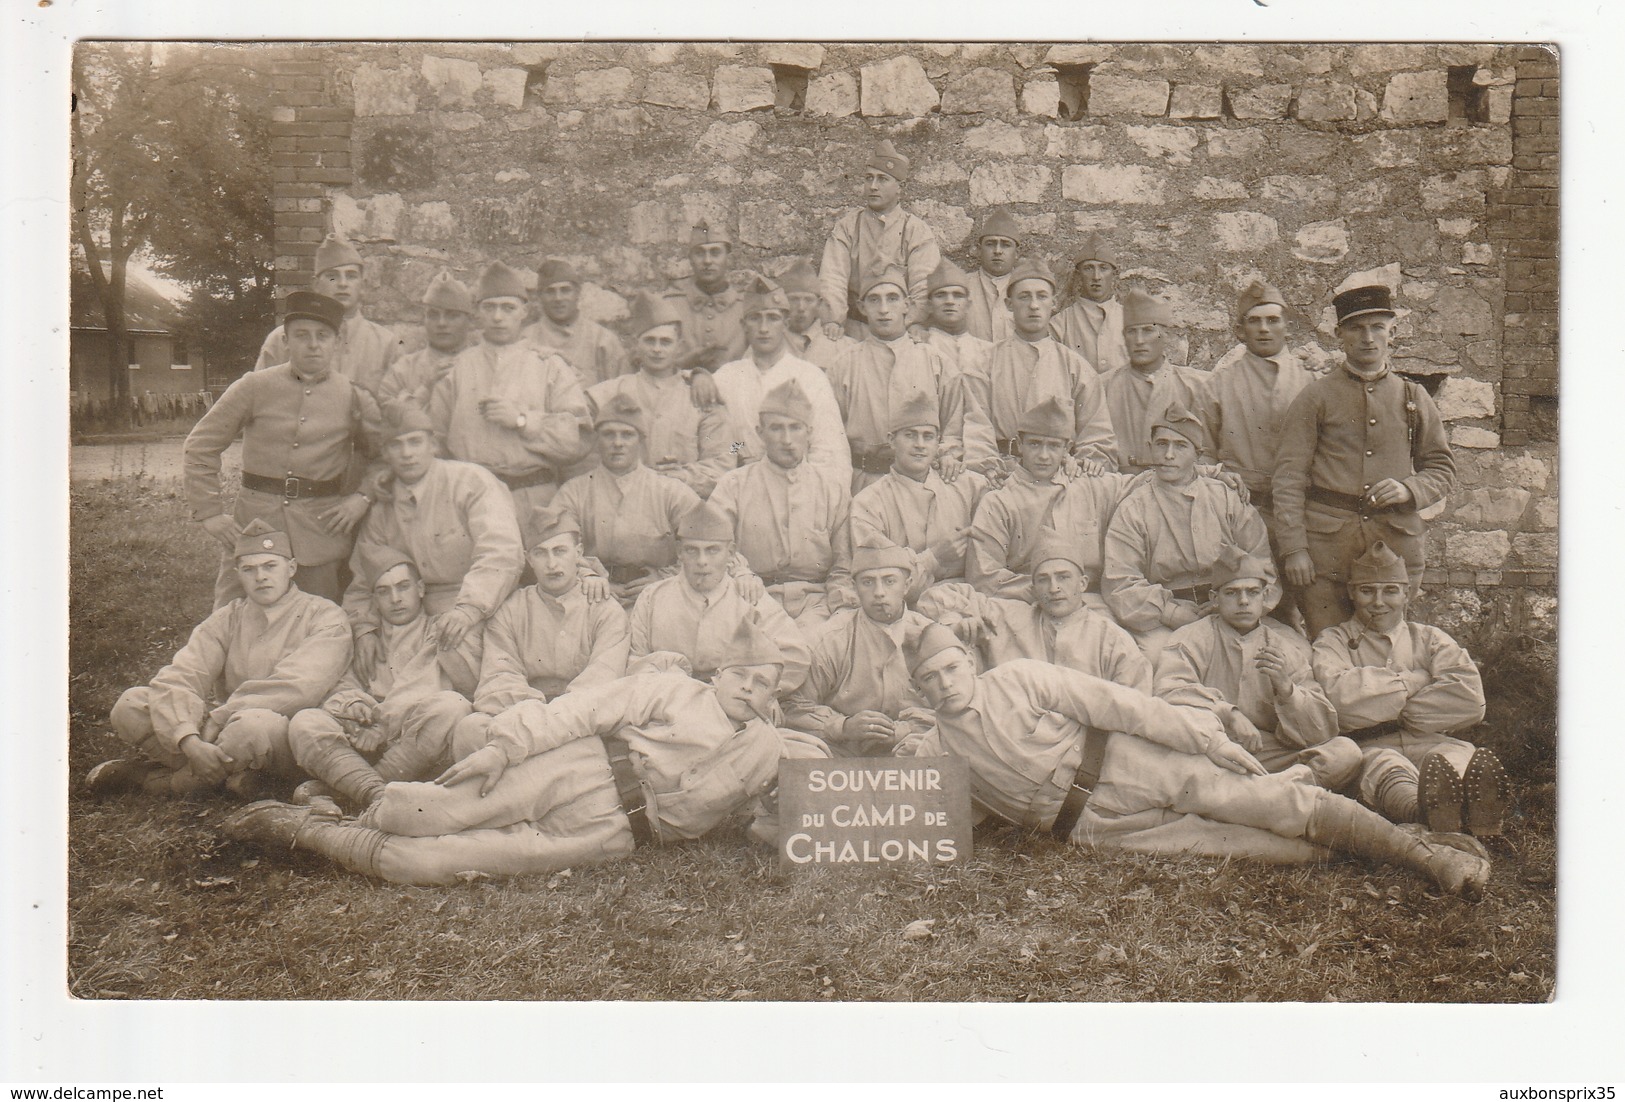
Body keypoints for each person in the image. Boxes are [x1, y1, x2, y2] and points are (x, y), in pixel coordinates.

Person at [221, 620, 830, 886]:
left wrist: (780, 825)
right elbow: (577, 709)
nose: (749, 692)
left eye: (763, 686)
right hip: (581, 772)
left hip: (615, 835)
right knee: (406, 815)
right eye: (741, 677)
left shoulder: (768, 748)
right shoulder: (671, 687)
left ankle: (304, 828)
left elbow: (795, 809)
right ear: (720, 672)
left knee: (419, 866)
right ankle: (312, 809)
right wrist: (502, 750)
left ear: (775, 697)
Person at [902, 624, 1491, 896]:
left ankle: (1429, 860)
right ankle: (1406, 834)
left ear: (968, 661)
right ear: (919, 692)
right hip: (1091, 827)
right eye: (929, 679)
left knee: (1272, 803)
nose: (945, 683)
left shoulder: (1017, 679)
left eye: (950, 667)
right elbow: (932, 822)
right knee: (1272, 850)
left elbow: (1123, 705)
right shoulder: (936, 752)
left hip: (1127, 761)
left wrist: (1210, 741)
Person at [87, 520, 351, 799]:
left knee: (253, 727)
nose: (260, 576)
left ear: (292, 568)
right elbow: (184, 673)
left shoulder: (325, 615)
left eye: (270, 566)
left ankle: (161, 783)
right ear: (238, 574)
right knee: (130, 704)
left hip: (286, 734)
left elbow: (298, 686)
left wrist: (217, 719)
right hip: (223, 730)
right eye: (249, 569)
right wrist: (188, 738)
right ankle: (230, 776)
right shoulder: (230, 616)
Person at [1273, 284, 1456, 639]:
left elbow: (1441, 468)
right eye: (1356, 328)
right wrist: (1295, 548)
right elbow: (1289, 478)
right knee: (1328, 644)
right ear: (1340, 334)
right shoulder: (1316, 397)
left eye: (1377, 327)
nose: (1368, 338)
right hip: (1326, 552)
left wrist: (1409, 489)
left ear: (1392, 332)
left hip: (1393, 548)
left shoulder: (1412, 396)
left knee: (1385, 644)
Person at [185, 290, 383, 607]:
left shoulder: (353, 396)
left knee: (317, 623)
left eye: (323, 336)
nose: (313, 344)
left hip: (320, 530)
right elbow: (200, 445)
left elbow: (383, 455)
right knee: (231, 619)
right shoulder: (254, 386)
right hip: (254, 525)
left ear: (338, 342)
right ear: (286, 341)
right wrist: (209, 513)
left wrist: (361, 498)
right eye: (301, 335)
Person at [1311, 541, 1509, 837]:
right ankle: (1424, 813)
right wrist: (1416, 681)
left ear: (1406, 594)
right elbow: (1340, 701)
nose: (1379, 602)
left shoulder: (1430, 639)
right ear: (1352, 593)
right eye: (1368, 591)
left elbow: (1469, 701)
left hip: (1431, 741)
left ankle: (1473, 814)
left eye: (1390, 590)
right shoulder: (1332, 642)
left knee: (1450, 758)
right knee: (1387, 767)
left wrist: (1389, 709)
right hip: (1370, 746)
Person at [342, 403, 523, 695]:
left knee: (457, 654)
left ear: (433, 444)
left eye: (415, 442)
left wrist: (468, 610)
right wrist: (364, 629)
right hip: (414, 615)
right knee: (364, 662)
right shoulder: (383, 509)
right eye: (396, 445)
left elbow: (501, 554)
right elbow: (364, 579)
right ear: (385, 454)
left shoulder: (470, 482)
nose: (407, 453)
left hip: (483, 606)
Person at [286, 546, 474, 814]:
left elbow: (428, 685)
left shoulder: (438, 630)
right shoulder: (365, 639)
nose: (395, 598)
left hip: (411, 740)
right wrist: (354, 706)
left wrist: (383, 724)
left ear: (420, 588)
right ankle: (376, 794)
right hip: (363, 736)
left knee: (452, 707)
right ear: (373, 598)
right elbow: (341, 685)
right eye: (383, 591)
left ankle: (354, 789)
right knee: (305, 721)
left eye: (403, 587)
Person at [1155, 546, 1359, 790]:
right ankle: (1275, 795)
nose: (1243, 601)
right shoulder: (1191, 637)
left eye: (1252, 592)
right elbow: (1168, 693)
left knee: (1345, 752)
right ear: (1214, 599)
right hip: (1211, 747)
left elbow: (1320, 733)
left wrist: (1288, 691)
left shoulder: (1283, 646)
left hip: (1265, 752)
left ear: (1265, 596)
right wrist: (1228, 713)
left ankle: (1271, 791)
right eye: (1232, 593)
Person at [450, 506, 631, 758]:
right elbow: (500, 675)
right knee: (470, 730)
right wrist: (534, 714)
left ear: (578, 554)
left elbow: (603, 679)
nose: (552, 564)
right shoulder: (512, 609)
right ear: (528, 559)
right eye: (541, 553)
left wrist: (554, 718)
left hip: (580, 719)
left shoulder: (604, 610)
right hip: (521, 713)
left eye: (560, 551)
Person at [428, 260, 593, 528]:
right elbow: (435, 441)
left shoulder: (549, 366)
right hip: (470, 500)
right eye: (489, 307)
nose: (497, 317)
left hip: (534, 499)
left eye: (508, 308)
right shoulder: (456, 369)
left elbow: (578, 439)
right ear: (477, 312)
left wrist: (523, 421)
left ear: (524, 312)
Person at [1103, 404, 1270, 655]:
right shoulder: (1134, 508)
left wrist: (1227, 606)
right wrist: (1171, 613)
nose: (1168, 455)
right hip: (1165, 615)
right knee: (1162, 657)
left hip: (1232, 605)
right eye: (1161, 444)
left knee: (1282, 653)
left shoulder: (1225, 498)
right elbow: (1121, 582)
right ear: (1150, 448)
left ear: (1198, 455)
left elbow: (1261, 562)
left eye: (1180, 446)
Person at [708, 379, 857, 630]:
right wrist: (740, 572)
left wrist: (841, 608)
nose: (787, 439)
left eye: (795, 428)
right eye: (776, 428)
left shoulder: (832, 489)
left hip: (816, 601)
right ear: (760, 432)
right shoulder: (733, 485)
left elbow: (844, 563)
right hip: (752, 597)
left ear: (809, 431)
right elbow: (714, 542)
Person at [924, 528, 1149, 687]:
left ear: (1082, 584)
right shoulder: (1007, 616)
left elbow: (1136, 702)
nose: (1053, 588)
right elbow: (935, 598)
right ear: (1033, 587)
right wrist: (954, 622)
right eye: (1043, 579)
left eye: (1063, 578)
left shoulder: (1110, 638)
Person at [628, 500, 811, 695]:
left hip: (730, 706)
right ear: (680, 552)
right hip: (667, 700)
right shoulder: (653, 597)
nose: (702, 561)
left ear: (730, 553)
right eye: (692, 550)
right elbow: (636, 661)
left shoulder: (749, 599)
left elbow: (795, 656)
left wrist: (761, 694)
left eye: (712, 550)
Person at [825, 264, 981, 493]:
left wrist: (948, 454)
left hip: (923, 483)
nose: (884, 309)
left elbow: (952, 426)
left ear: (907, 304)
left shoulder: (936, 362)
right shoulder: (843, 365)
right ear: (861, 307)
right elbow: (831, 433)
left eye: (892, 299)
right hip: (862, 481)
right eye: (874, 300)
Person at [784, 539, 937, 757]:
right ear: (855, 587)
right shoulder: (831, 638)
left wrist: (907, 730)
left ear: (908, 584)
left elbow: (956, 707)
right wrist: (842, 726)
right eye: (868, 582)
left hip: (913, 751)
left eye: (890, 581)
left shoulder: (930, 636)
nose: (879, 592)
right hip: (844, 753)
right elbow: (792, 706)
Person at [1199, 279, 1318, 556]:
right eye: (1254, 321)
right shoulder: (1218, 385)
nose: (1264, 329)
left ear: (1287, 327)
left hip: (1303, 514)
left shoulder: (1312, 380)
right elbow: (1204, 453)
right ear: (1240, 330)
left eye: (1273, 320)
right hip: (1240, 510)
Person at [552, 393, 702, 607]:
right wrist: (587, 577)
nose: (618, 443)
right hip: (591, 596)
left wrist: (668, 579)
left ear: (641, 440)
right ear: (597, 439)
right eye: (608, 434)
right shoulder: (574, 492)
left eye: (627, 434)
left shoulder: (670, 491)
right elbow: (554, 547)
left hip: (660, 596)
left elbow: (706, 542)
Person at [967, 257, 1117, 471]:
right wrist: (988, 467)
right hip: (1002, 472)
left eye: (1042, 297)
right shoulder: (985, 363)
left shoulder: (1075, 367)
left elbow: (1097, 435)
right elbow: (975, 426)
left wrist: (1086, 464)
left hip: (1061, 475)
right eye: (1024, 297)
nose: (1034, 306)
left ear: (1054, 303)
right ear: (1009, 305)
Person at [587, 291, 735, 499]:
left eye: (665, 342)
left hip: (685, 506)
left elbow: (724, 461)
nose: (657, 349)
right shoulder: (610, 393)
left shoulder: (701, 396)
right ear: (636, 344)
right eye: (649, 341)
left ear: (679, 346)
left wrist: (683, 476)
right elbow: (582, 448)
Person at [968, 397, 1119, 601]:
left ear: (1067, 449)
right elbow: (984, 577)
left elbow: (1144, 485)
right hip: (1026, 601)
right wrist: (1047, 591)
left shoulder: (1089, 485)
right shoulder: (999, 502)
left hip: (1090, 601)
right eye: (1035, 444)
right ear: (1020, 445)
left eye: (1054, 446)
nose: (1044, 455)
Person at [713, 275, 852, 485]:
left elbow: (828, 451)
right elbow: (721, 443)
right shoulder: (726, 378)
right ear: (743, 324)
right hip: (741, 486)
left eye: (772, 318)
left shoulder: (809, 377)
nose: (763, 328)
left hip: (796, 484)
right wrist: (738, 454)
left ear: (785, 323)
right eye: (755, 318)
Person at [850, 390, 989, 600]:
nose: (920, 445)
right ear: (891, 440)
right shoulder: (869, 502)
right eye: (910, 435)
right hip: (909, 606)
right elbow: (880, 584)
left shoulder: (968, 485)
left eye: (928, 436)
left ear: (938, 443)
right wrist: (934, 558)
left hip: (971, 597)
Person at [818, 139, 942, 338]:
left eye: (882, 179)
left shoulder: (916, 231)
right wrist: (833, 320)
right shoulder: (847, 227)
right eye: (869, 178)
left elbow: (923, 284)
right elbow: (833, 278)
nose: (873, 186)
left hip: (902, 331)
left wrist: (910, 323)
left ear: (899, 187)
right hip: (854, 329)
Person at [253, 234, 403, 395]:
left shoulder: (386, 344)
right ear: (316, 285)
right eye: (332, 276)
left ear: (363, 285)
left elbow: (401, 410)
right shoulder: (281, 340)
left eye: (351, 276)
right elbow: (256, 399)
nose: (343, 284)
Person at [1101, 289, 1213, 476]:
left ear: (1165, 335)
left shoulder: (1196, 386)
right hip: (1118, 489)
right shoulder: (1102, 387)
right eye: (1131, 332)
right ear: (1124, 338)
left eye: (1148, 331)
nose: (1139, 341)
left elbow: (1208, 452)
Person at [522, 258, 631, 389]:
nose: (558, 298)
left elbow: (623, 392)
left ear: (577, 293)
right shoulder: (526, 339)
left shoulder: (602, 340)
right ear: (540, 296)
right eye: (550, 291)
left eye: (565, 290)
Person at [377, 269, 476, 410]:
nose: (442, 323)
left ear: (470, 321)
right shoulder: (403, 369)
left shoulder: (483, 365)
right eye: (433, 315)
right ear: (424, 319)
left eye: (452, 315)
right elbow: (384, 419)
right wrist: (425, 390)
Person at [662, 222, 748, 372]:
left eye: (715, 253)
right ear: (690, 259)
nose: (707, 261)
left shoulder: (746, 307)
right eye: (700, 253)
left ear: (728, 258)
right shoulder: (670, 305)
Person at [1050, 233, 1129, 375]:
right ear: (1078, 275)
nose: (1096, 277)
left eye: (1103, 268)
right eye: (1089, 268)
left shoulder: (1130, 319)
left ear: (1114, 275)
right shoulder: (1060, 324)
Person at [779, 258, 853, 373]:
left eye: (808, 300)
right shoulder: (770, 343)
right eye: (793, 299)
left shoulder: (843, 347)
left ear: (819, 303)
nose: (801, 307)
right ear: (783, 302)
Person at [963, 207, 1021, 344]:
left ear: (1017, 253)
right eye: (990, 244)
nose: (997, 251)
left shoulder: (1027, 289)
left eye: (1006, 245)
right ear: (979, 249)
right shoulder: (961, 286)